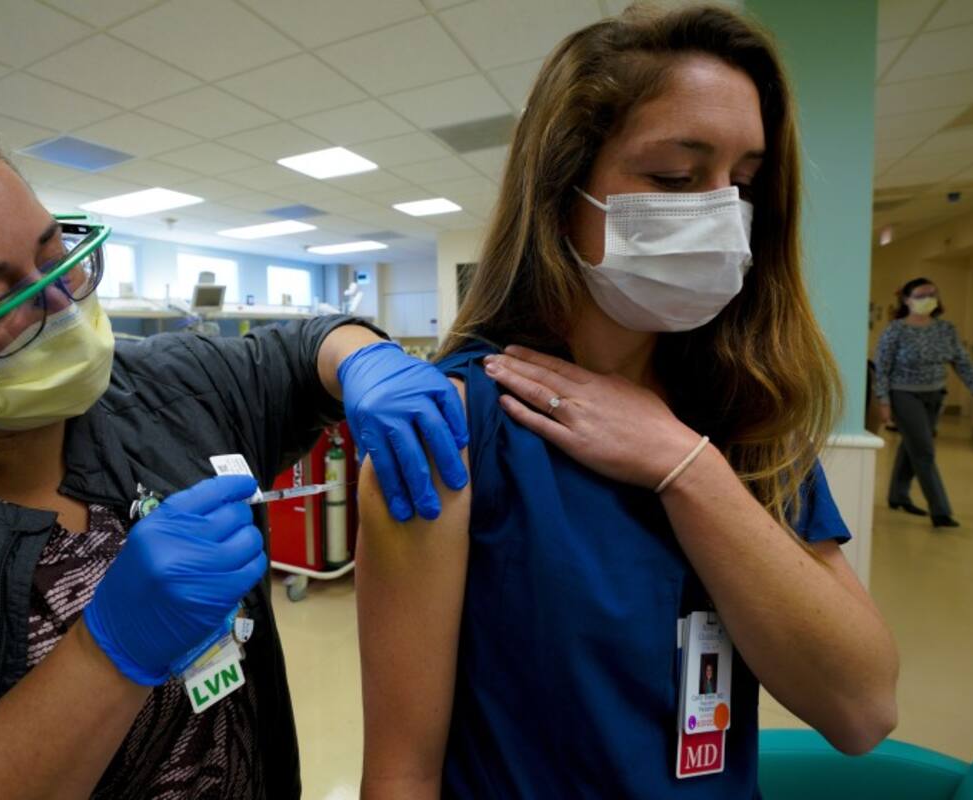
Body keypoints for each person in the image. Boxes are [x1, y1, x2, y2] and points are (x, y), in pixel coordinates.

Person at [0, 70, 470, 799]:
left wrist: (364, 357)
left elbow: (305, 345)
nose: (62, 309)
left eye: (58, 258)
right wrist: (105, 655)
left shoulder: (163, 387)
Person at [355, 6, 898, 798]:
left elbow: (863, 708)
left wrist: (685, 467)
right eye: (676, 178)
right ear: (563, 189)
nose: (717, 215)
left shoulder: (741, 414)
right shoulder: (454, 427)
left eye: (742, 184)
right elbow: (402, 771)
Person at [874, 277, 973, 528]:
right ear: (906, 299)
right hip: (904, 395)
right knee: (924, 450)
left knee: (911, 446)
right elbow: (883, 368)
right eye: (921, 295)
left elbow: (962, 361)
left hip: (936, 395)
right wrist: (883, 401)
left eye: (932, 294)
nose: (928, 300)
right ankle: (941, 510)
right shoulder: (896, 329)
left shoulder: (946, 330)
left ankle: (897, 496)